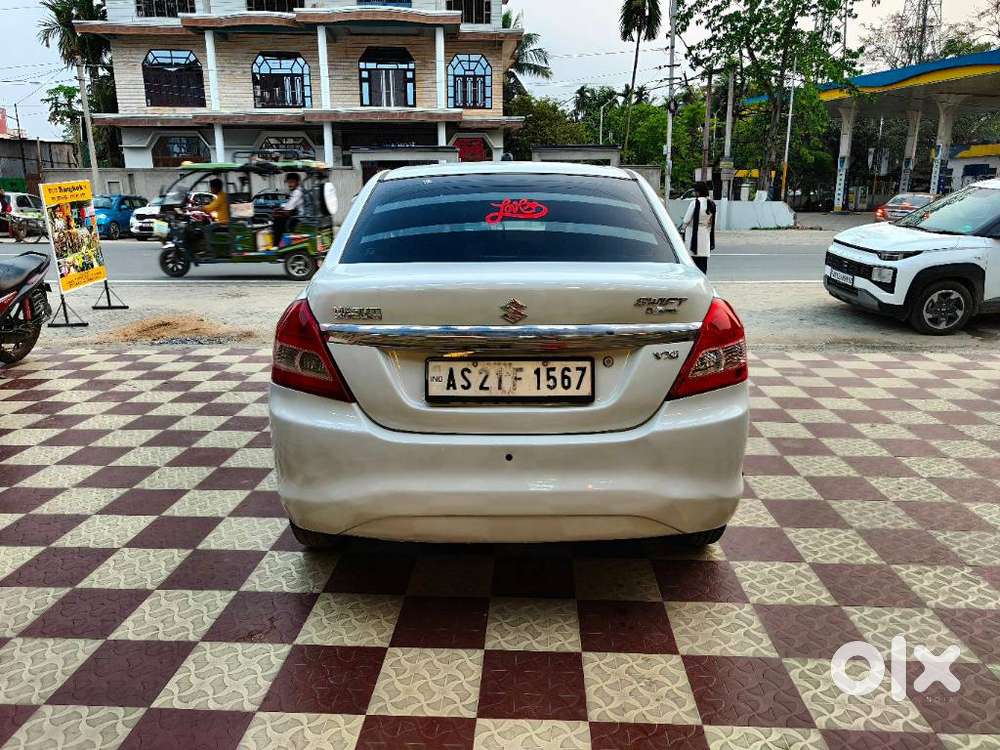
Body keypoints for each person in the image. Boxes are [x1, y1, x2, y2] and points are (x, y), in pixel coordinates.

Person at [681, 182, 715, 274]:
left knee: (693, 263)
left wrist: (682, 229)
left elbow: (686, 220)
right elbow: (712, 222)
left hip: (693, 236)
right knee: (703, 264)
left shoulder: (695, 203)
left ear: (698, 192)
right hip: (705, 235)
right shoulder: (711, 203)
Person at [272, 172, 305, 247]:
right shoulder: (298, 191)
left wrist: (280, 210)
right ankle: (280, 244)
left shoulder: (297, 192)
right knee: (279, 219)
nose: (289, 184)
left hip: (298, 218)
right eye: (288, 182)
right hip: (297, 216)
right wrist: (282, 208)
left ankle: (276, 245)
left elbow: (289, 208)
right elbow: (289, 206)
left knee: (278, 223)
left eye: (292, 182)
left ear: (297, 182)